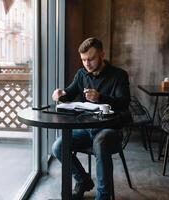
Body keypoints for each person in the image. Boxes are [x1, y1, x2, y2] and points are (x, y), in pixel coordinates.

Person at [51, 37, 131, 200]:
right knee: (58, 146)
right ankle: (83, 180)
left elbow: (124, 103)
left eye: (91, 59)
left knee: (100, 143)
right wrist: (60, 94)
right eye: (83, 60)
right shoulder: (82, 74)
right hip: (86, 128)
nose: (87, 63)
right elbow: (69, 93)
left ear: (102, 54)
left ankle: (103, 196)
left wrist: (100, 97)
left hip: (110, 129)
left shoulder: (119, 75)